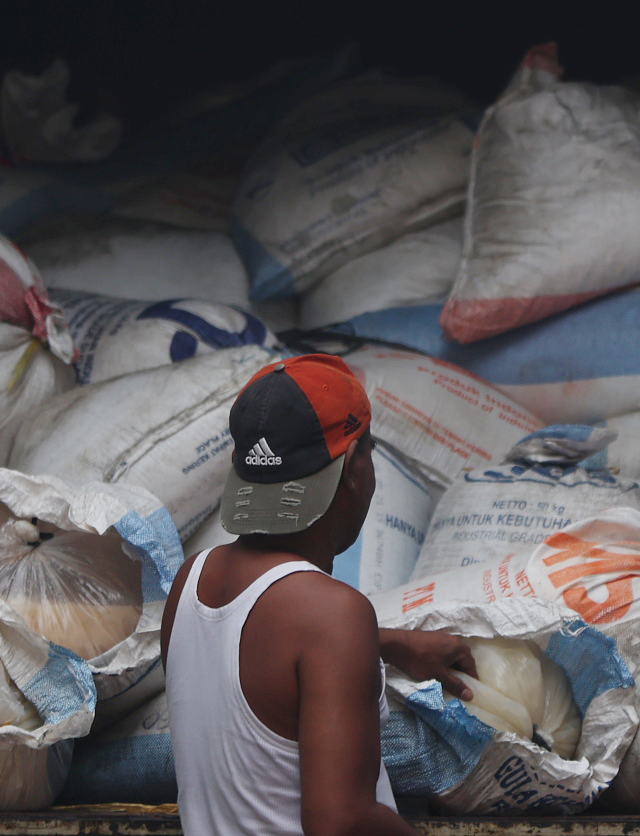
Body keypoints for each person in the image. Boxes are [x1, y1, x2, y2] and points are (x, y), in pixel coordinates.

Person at [162, 354, 475, 836]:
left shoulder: (190, 584)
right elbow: (341, 823)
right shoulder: (333, 615)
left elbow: (263, 663)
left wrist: (386, 644)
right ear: (353, 465)